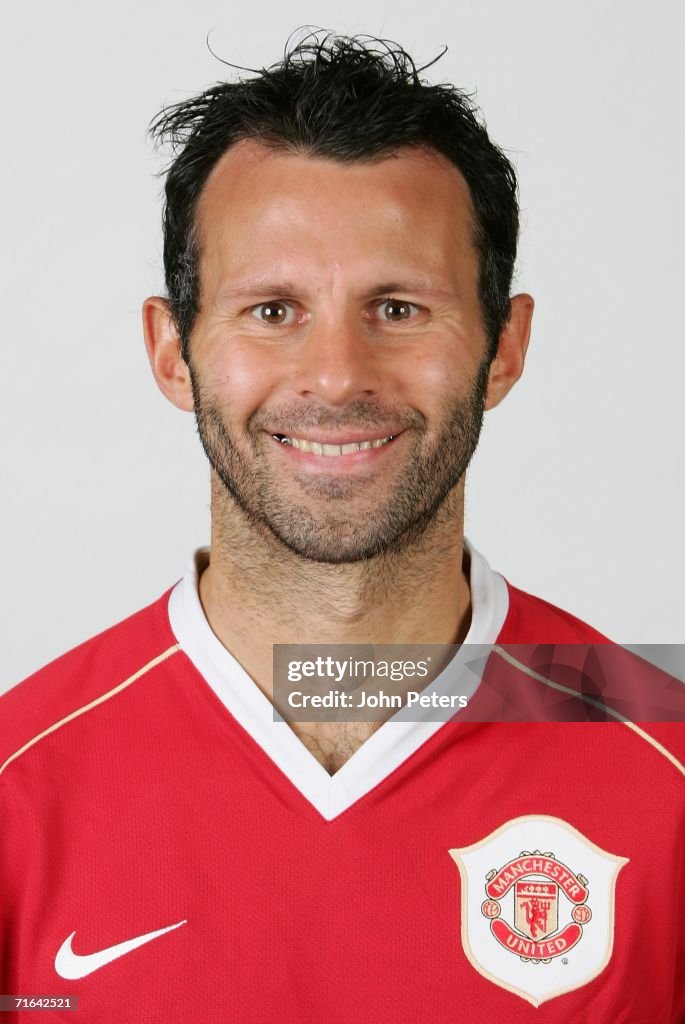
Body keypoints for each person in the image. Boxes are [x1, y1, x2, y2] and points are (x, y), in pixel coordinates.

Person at [1, 31, 682, 1024]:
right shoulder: (18, 787)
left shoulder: (665, 764)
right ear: (172, 353)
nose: (336, 375)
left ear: (504, 348)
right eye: (271, 310)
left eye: (398, 307)